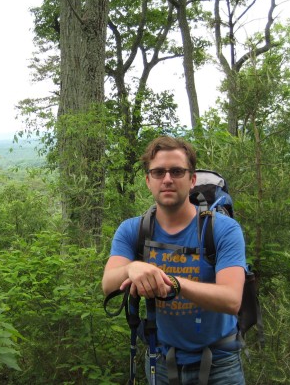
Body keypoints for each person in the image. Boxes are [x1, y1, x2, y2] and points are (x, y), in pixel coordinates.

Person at [102, 136, 247, 385]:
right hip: (160, 359)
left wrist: (174, 283)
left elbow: (232, 300)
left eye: (177, 171)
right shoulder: (131, 231)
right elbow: (108, 284)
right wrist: (132, 267)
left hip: (220, 363)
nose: (167, 179)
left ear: (192, 180)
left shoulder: (223, 230)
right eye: (158, 172)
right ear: (148, 180)